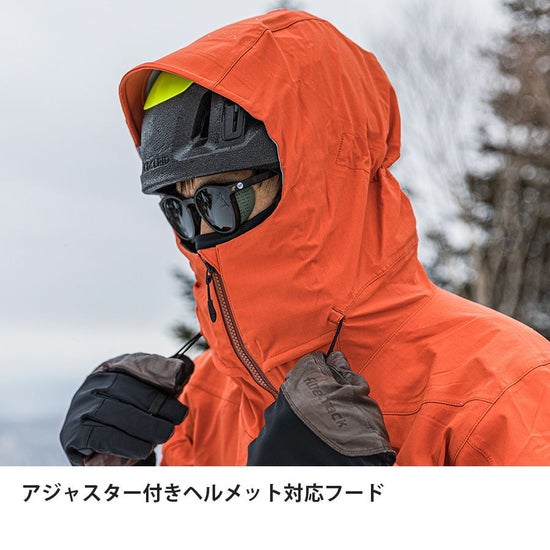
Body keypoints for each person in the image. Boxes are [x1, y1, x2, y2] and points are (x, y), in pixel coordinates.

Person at [60, 9, 550, 466]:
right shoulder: (199, 404)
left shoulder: (504, 389)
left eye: (224, 199)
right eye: (180, 210)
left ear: (321, 182)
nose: (203, 234)